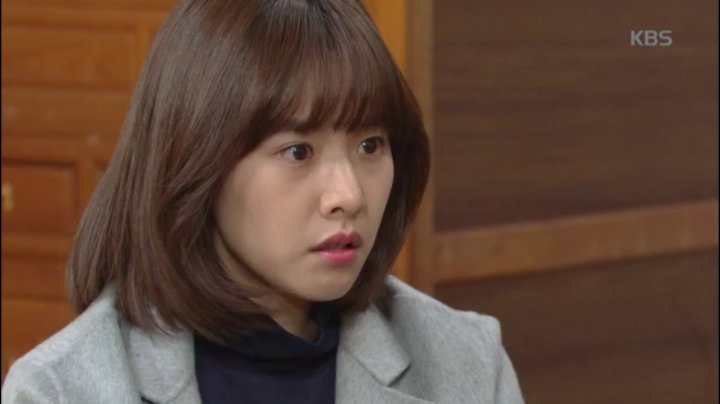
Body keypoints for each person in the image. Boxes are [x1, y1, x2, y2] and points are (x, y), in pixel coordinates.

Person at [1, 1, 524, 403]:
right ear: (197, 162)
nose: (348, 195)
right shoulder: (60, 390)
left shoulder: (466, 364)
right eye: (298, 152)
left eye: (370, 146)